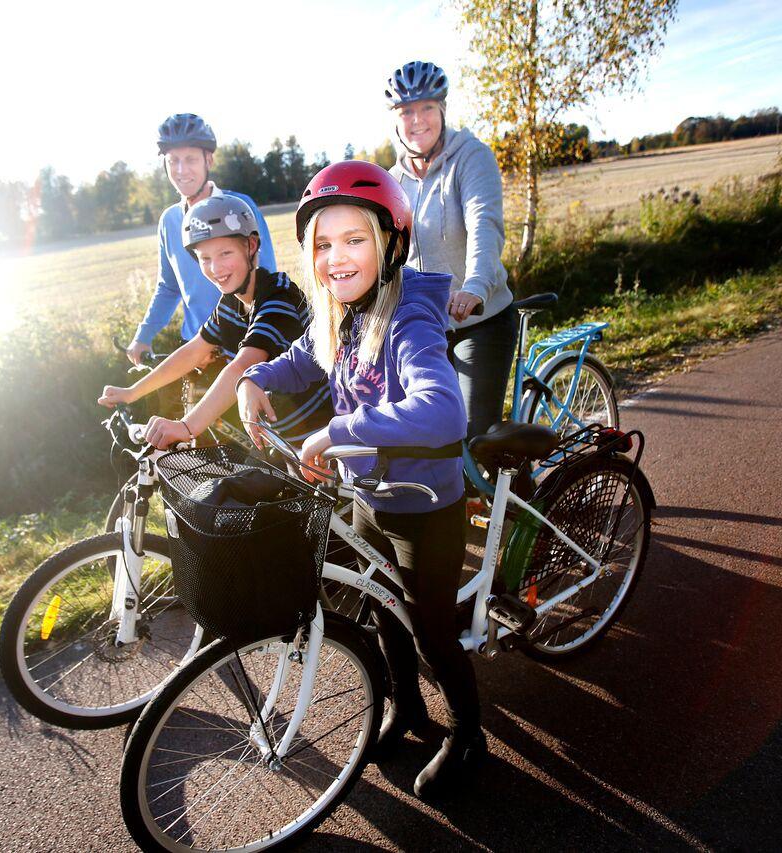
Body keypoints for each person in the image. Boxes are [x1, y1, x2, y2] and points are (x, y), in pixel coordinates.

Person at [237, 160, 484, 800]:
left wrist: (337, 431)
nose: (336, 258)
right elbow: (303, 359)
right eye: (323, 245)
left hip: (424, 505)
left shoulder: (409, 317)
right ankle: (408, 707)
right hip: (369, 495)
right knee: (382, 610)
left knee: (431, 630)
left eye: (355, 240)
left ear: (391, 244)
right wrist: (255, 379)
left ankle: (468, 734)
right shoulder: (341, 312)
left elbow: (443, 409)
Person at [100, 194, 330, 449]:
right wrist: (131, 393)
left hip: (322, 441)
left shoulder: (278, 298)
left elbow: (242, 366)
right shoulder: (231, 302)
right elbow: (193, 352)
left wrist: (186, 427)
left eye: (225, 253)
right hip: (282, 442)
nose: (215, 268)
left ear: (251, 246)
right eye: (205, 258)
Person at [385, 61, 515, 441]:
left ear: (442, 109)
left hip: (480, 320)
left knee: (473, 435)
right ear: (395, 119)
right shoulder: (392, 182)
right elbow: (387, 258)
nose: (417, 120)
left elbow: (483, 224)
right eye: (406, 110)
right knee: (425, 437)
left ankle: (514, 478)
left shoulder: (471, 157)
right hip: (426, 329)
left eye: (427, 107)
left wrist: (475, 286)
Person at [126, 113, 277, 366]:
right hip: (194, 349)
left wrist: (224, 339)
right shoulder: (169, 220)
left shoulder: (238, 207)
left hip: (244, 347)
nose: (181, 170)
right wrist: (144, 335)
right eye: (173, 161)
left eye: (190, 159)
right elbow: (169, 286)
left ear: (209, 160)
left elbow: (265, 277)